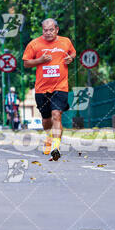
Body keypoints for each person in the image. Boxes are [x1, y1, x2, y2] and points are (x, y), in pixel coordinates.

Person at [23, 18, 76, 161]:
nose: (48, 33)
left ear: (57, 30)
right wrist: (40, 61)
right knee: (46, 120)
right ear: (42, 30)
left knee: (56, 114)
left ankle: (56, 147)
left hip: (60, 86)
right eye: (45, 30)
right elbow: (26, 63)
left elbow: (72, 53)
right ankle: (49, 137)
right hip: (42, 89)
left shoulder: (65, 41)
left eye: (51, 30)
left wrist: (71, 58)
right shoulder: (34, 44)